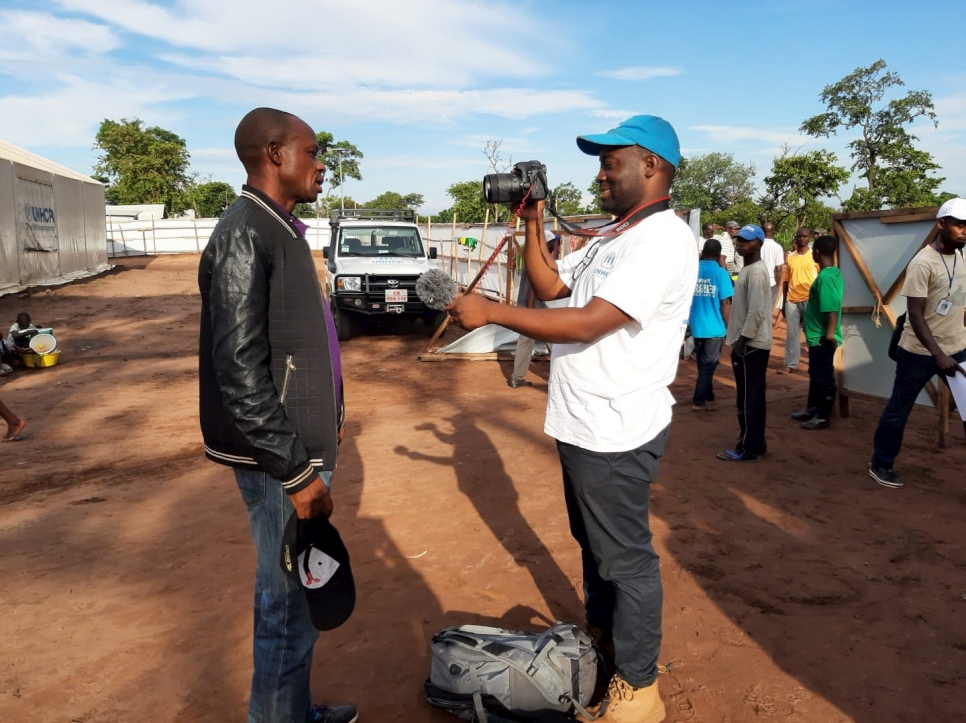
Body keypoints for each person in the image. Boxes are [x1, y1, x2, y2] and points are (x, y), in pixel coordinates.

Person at [449, 114, 697, 723]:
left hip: (618, 428)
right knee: (595, 549)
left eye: (611, 162)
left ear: (650, 166)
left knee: (626, 560)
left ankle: (638, 693)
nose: (600, 173)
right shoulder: (615, 237)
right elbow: (554, 288)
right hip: (583, 421)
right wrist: (534, 221)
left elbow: (588, 323)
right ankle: (606, 649)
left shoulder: (662, 239)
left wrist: (493, 313)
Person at [197, 108, 357, 723]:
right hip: (276, 460)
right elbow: (238, 369)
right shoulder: (245, 230)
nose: (321, 165)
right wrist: (296, 473)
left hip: (294, 446)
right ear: (273, 153)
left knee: (298, 596)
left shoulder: (281, 227)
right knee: (285, 600)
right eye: (312, 152)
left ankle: (294, 711)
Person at [869, 198, 966, 489]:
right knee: (899, 409)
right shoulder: (923, 263)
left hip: (957, 348)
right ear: (941, 224)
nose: (964, 231)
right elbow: (915, 315)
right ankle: (881, 464)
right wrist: (938, 355)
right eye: (959, 225)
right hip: (919, 353)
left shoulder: (961, 256)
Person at [717, 225, 772, 462]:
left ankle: (748, 447)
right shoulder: (749, 269)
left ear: (758, 243)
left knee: (749, 399)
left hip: (751, 345)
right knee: (751, 397)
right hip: (748, 344)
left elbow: (757, 312)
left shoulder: (757, 272)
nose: (740, 244)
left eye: (746, 241)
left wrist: (741, 341)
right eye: (739, 240)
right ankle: (756, 443)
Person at [792, 236, 843, 430]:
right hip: (817, 335)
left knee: (822, 377)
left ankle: (822, 416)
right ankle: (812, 409)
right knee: (815, 373)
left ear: (817, 252)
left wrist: (829, 334)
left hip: (822, 336)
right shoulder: (833, 273)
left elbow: (831, 307)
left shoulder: (825, 277)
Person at [509, 237, 560, 388]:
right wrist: (531, 310)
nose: (556, 246)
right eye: (555, 243)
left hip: (527, 306)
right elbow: (533, 286)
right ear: (549, 242)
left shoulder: (533, 256)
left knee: (526, 341)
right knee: (555, 339)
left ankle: (516, 377)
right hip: (533, 308)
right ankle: (559, 378)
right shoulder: (538, 260)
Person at [689, 238, 733, 411]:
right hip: (714, 327)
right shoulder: (721, 274)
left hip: (697, 325)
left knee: (703, 363)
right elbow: (726, 303)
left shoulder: (693, 271)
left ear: (703, 253)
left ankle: (709, 395)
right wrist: (730, 326)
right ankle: (698, 399)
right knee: (709, 364)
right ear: (718, 255)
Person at [780, 228, 819, 373]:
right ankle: (790, 364)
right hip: (791, 300)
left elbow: (821, 278)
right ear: (795, 238)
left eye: (804, 236)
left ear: (809, 238)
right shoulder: (790, 257)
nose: (802, 239)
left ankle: (815, 362)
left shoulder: (815, 256)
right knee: (792, 333)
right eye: (799, 236)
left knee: (811, 332)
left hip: (810, 299)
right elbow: (786, 280)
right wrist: (784, 302)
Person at [761, 222, 786, 317]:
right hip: (771, 282)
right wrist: (778, 283)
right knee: (767, 311)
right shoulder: (777, 247)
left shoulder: (757, 245)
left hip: (756, 281)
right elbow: (778, 269)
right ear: (774, 232)